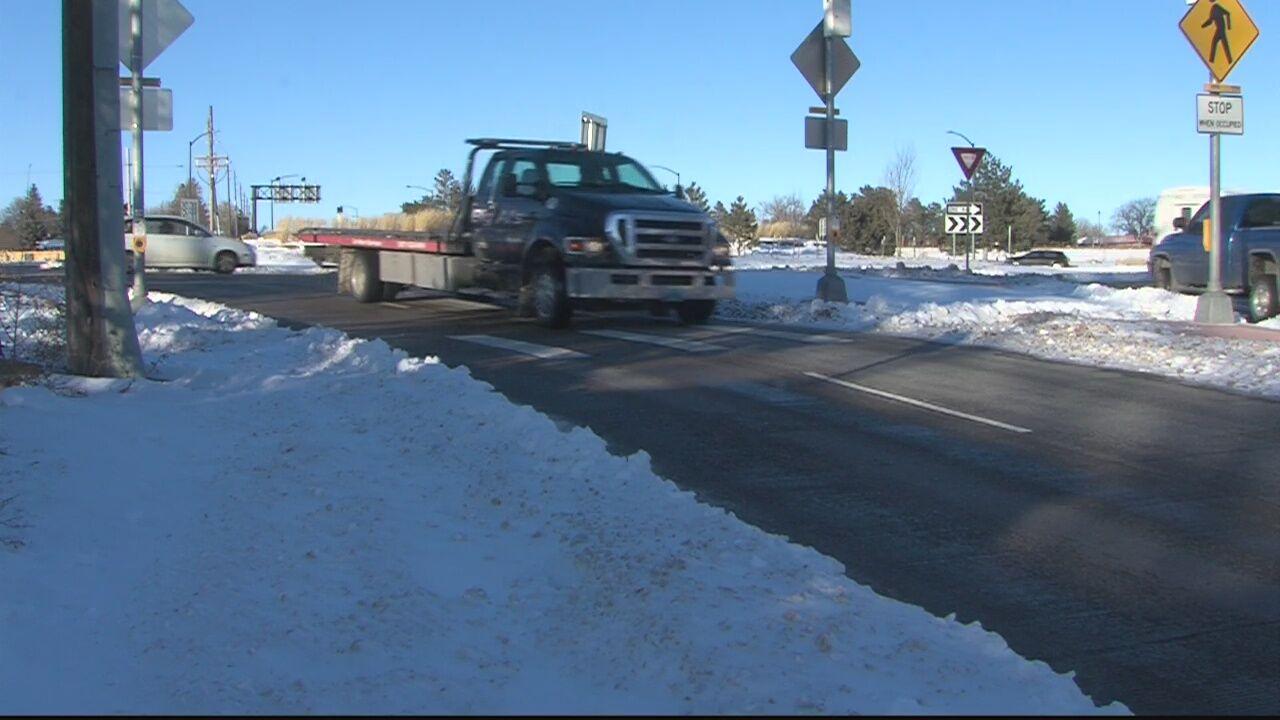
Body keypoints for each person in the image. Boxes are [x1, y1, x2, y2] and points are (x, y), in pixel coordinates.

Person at [1202, 0, 1233, 65]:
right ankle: (1212, 61)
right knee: (1217, 44)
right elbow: (1210, 21)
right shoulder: (1212, 9)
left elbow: (1227, 13)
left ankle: (1229, 61)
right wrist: (1202, 26)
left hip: (1221, 29)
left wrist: (1229, 26)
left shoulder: (1217, 7)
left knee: (1222, 44)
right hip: (1219, 29)